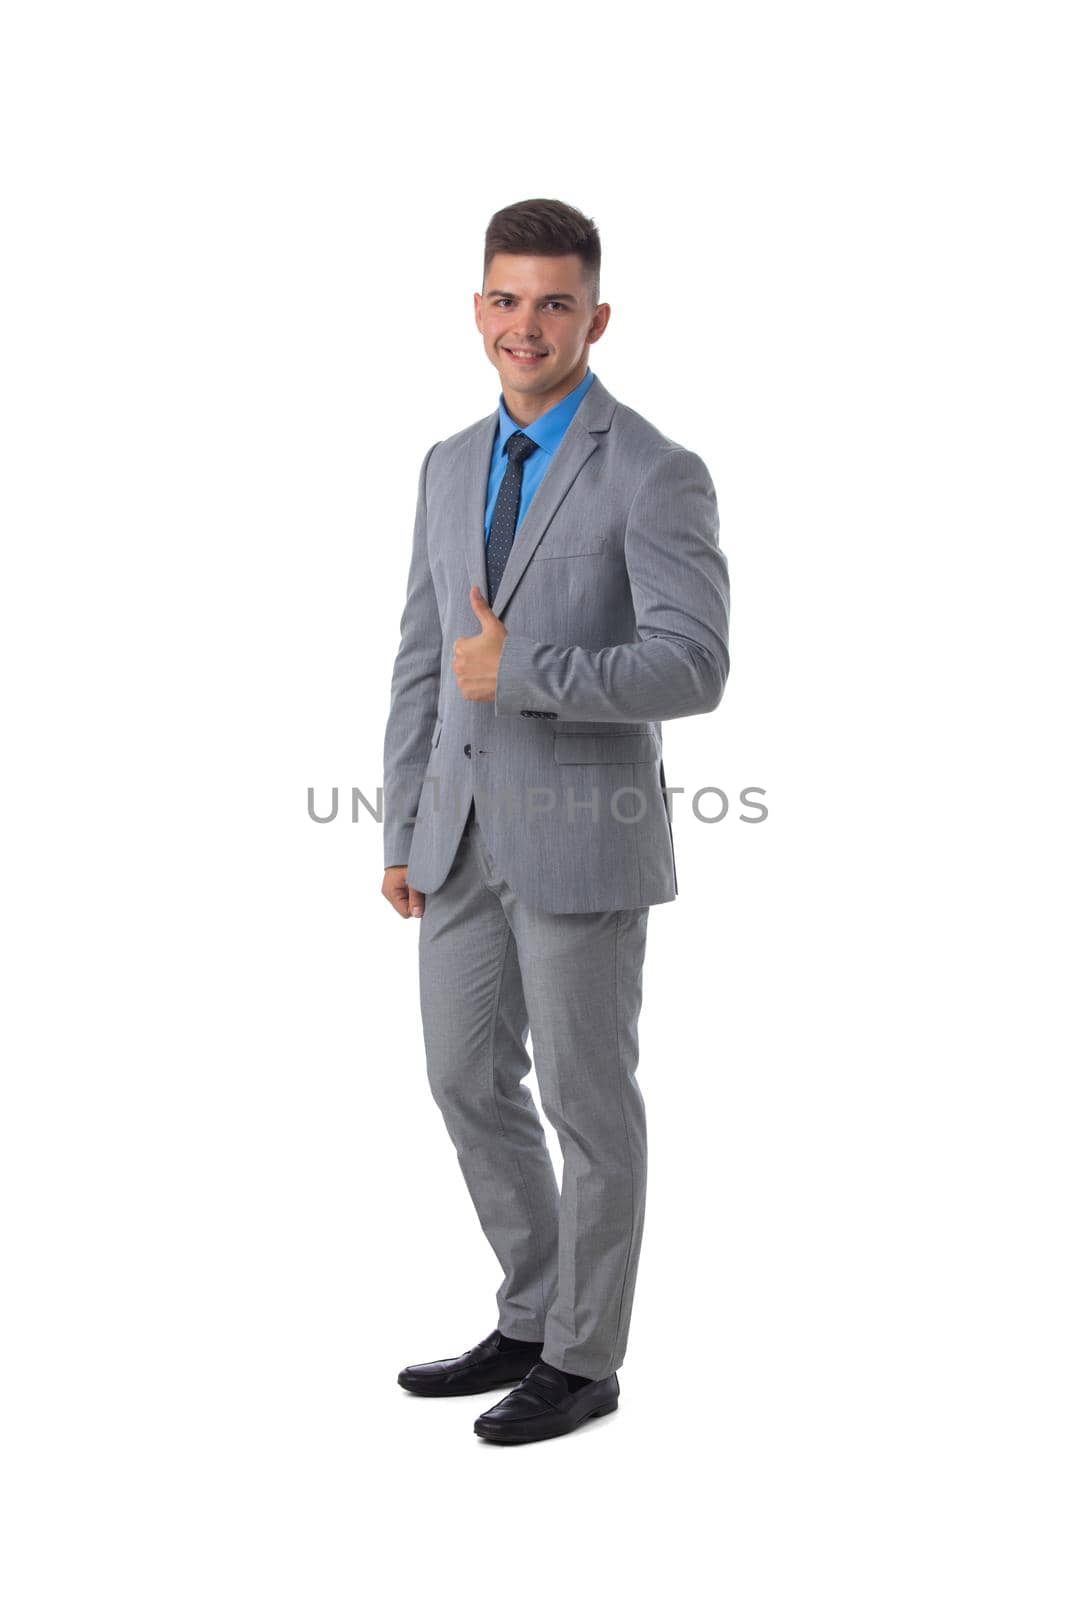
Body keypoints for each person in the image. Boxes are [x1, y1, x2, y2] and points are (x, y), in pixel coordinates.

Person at [381, 197, 730, 1444]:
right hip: (458, 834)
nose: (524, 326)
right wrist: (398, 830)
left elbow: (694, 667)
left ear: (596, 316)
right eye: (505, 298)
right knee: (463, 1075)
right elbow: (423, 660)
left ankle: (584, 1358)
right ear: (478, 306)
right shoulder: (443, 464)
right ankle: (531, 1310)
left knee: (588, 1105)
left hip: (584, 839)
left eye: (553, 304)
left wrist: (524, 668)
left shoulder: (652, 470)